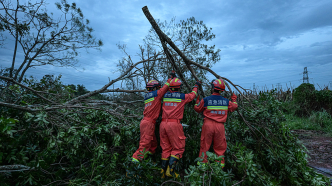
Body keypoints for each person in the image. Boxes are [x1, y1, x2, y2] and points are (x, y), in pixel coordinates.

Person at [131, 72, 176, 163]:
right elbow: (165, 88)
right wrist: (171, 78)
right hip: (149, 123)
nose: (158, 89)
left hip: (145, 122)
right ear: (155, 88)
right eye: (157, 88)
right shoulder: (157, 94)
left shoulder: (147, 96)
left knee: (153, 144)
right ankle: (133, 167)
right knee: (144, 145)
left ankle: (149, 161)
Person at [160, 78, 200, 178]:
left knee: (165, 149)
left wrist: (170, 78)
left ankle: (162, 173)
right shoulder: (182, 97)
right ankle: (171, 171)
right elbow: (192, 95)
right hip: (174, 125)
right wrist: (196, 86)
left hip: (163, 124)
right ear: (180, 88)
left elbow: (168, 90)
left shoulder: (164, 95)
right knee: (178, 148)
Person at [194, 79, 238, 168]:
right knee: (220, 148)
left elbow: (197, 109)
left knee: (205, 146)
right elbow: (234, 106)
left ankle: (202, 168)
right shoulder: (226, 101)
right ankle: (219, 169)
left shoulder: (206, 100)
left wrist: (197, 103)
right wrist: (234, 99)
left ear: (213, 88)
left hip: (208, 125)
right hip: (220, 127)